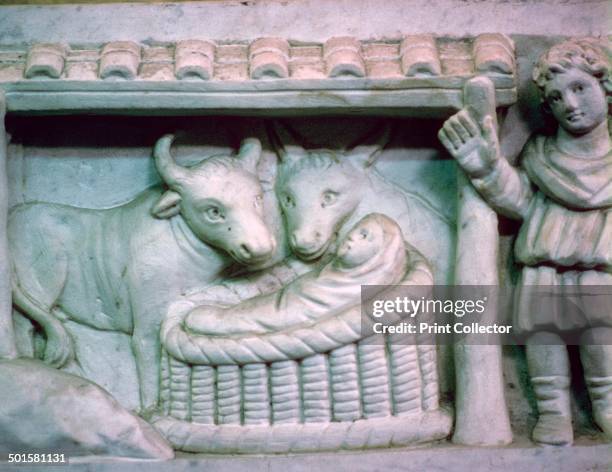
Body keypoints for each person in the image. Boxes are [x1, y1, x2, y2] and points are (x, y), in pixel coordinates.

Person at [438, 38, 612, 445]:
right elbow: (519, 201)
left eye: (579, 88)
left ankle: (606, 406)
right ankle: (552, 412)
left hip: (600, 270)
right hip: (544, 267)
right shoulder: (540, 154)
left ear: (605, 87)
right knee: (544, 342)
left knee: (603, 343)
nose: (569, 103)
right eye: (555, 98)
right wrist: (487, 169)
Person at [183, 213, 421, 336]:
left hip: (279, 313)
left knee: (209, 319)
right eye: (357, 230)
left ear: (379, 258)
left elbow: (292, 314)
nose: (352, 237)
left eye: (364, 237)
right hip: (275, 303)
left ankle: (223, 320)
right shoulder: (335, 273)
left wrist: (226, 320)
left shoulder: (348, 292)